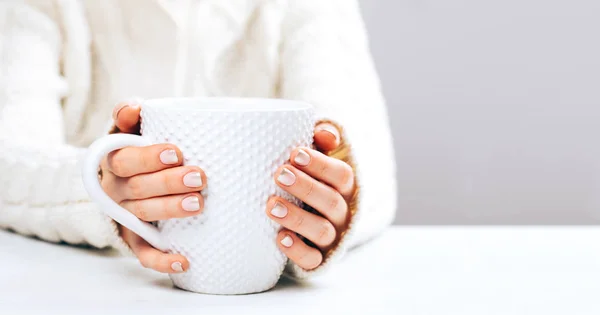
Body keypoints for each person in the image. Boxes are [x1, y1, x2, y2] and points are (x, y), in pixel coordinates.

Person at [0, 0, 396, 279]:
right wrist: (105, 195)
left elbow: (371, 174)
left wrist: (334, 204)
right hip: (86, 286)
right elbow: (9, 163)